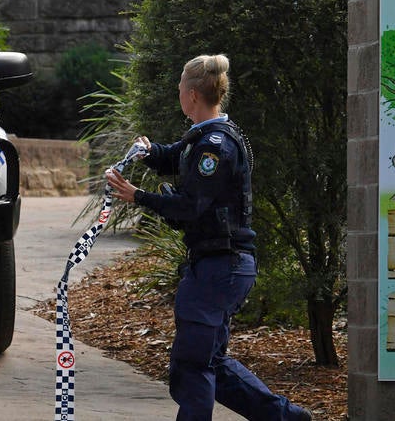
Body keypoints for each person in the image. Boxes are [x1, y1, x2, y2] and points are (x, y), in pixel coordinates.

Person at [105, 54, 311, 421]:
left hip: (219, 268)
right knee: (211, 365)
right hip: (218, 267)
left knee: (191, 367)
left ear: (193, 94)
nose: (178, 93)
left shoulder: (215, 145)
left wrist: (136, 195)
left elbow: (191, 205)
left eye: (180, 88)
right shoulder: (202, 139)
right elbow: (176, 158)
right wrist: (150, 152)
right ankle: (287, 418)